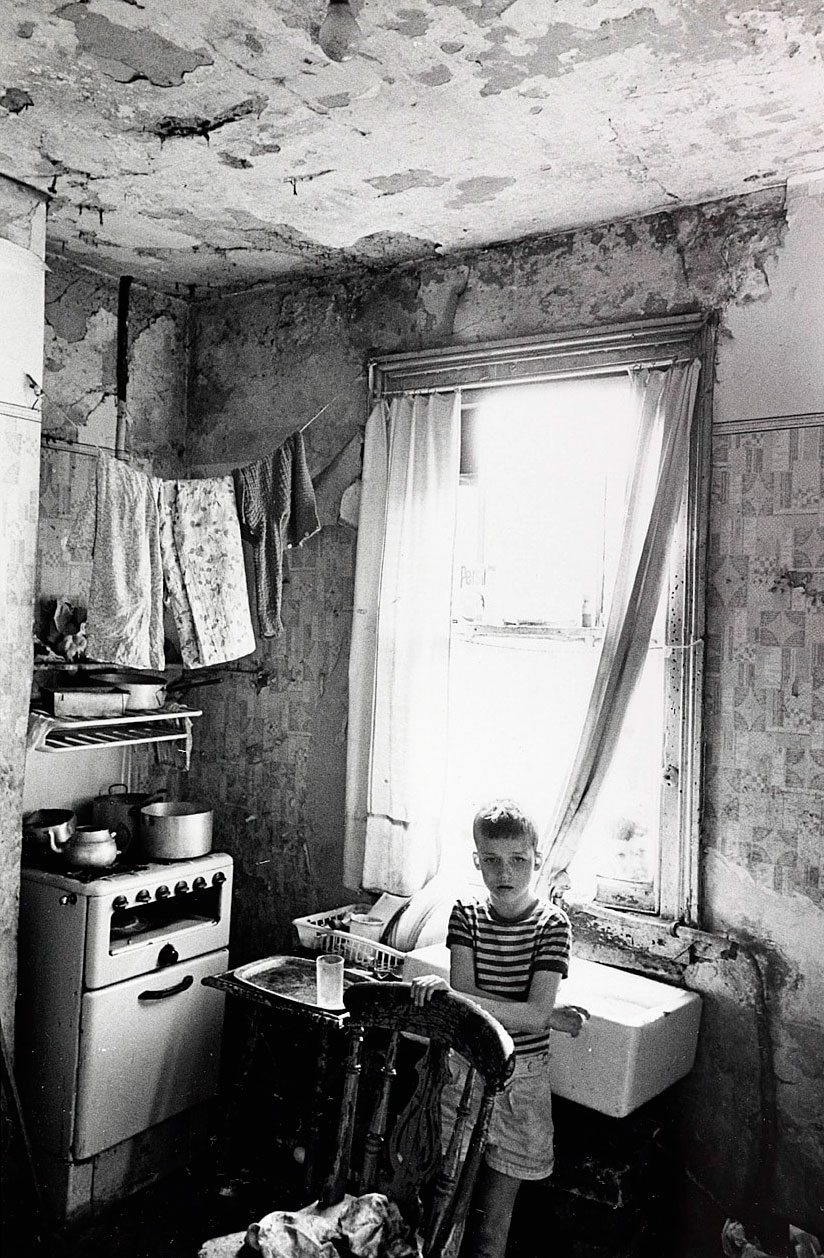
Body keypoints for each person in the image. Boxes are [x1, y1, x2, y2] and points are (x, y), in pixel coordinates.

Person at [410, 799, 588, 1258]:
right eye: (491, 861)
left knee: (493, 1230)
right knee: (448, 1211)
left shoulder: (552, 926)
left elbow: (516, 1013)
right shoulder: (466, 914)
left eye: (518, 861)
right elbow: (526, 1012)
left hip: (521, 1080)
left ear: (536, 859)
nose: (504, 873)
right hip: (464, 1073)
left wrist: (461, 1000)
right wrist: (539, 1013)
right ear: (476, 860)